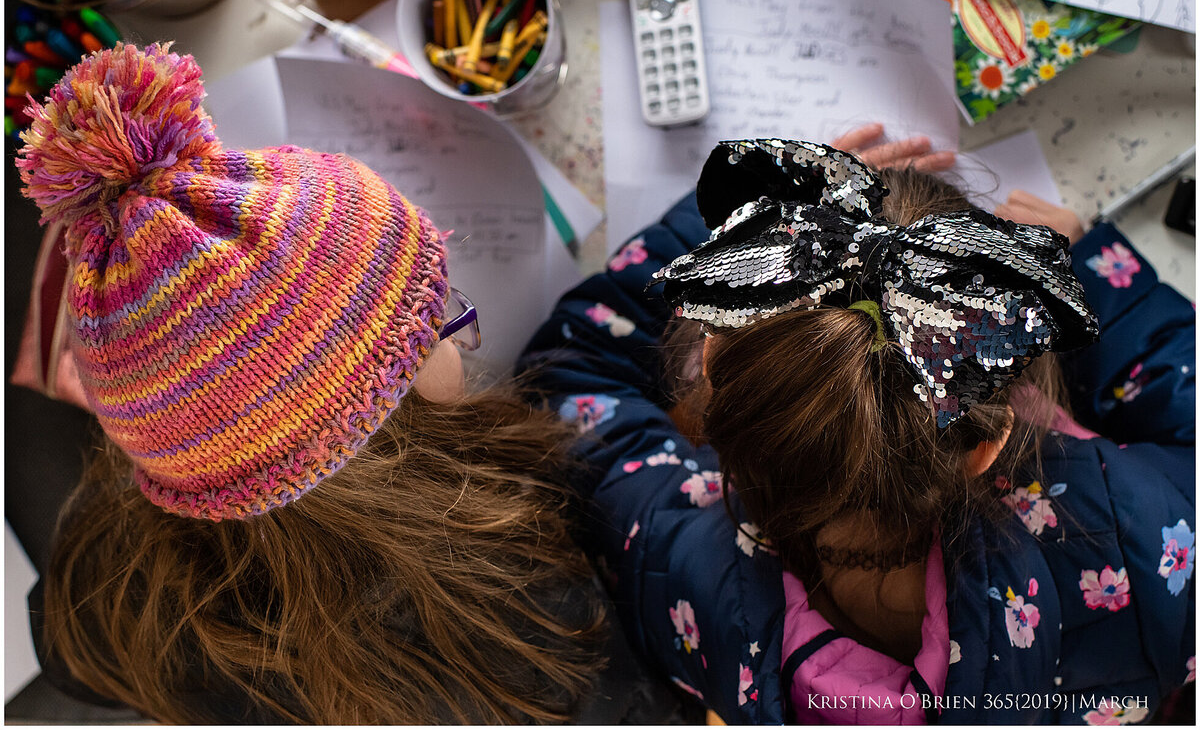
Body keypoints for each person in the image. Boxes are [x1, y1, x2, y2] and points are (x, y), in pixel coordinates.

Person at [16, 43, 683, 725]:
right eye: (440, 316)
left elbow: (61, 637)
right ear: (378, 429)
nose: (456, 319)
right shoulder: (531, 623)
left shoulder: (112, 583)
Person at [519, 138, 1195, 724]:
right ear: (984, 447)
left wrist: (727, 238)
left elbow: (569, 370)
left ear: (717, 372)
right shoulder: (1143, 544)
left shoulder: (685, 574)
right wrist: (1102, 287)